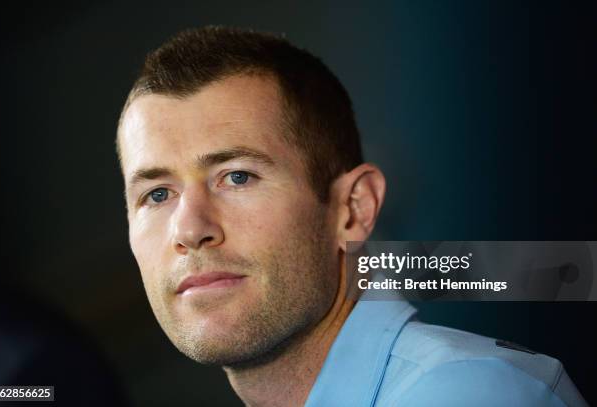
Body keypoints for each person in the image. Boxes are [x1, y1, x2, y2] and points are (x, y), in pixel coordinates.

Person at [115, 26, 587, 406]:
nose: (190, 229)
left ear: (353, 209)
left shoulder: (466, 393)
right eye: (158, 194)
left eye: (237, 177)